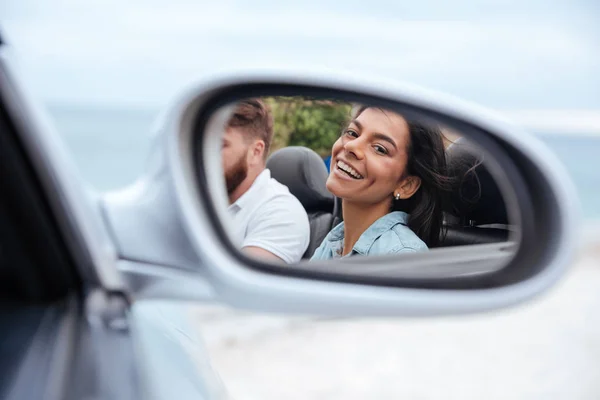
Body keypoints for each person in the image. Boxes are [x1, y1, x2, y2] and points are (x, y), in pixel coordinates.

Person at [311, 105, 451, 260]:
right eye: (352, 133)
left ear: (406, 185)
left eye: (379, 149)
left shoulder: (402, 256)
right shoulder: (333, 243)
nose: (351, 146)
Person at [222, 99, 310, 263]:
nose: (205, 153)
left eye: (220, 144)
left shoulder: (282, 212)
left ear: (255, 152)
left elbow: (244, 283)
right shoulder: (197, 196)